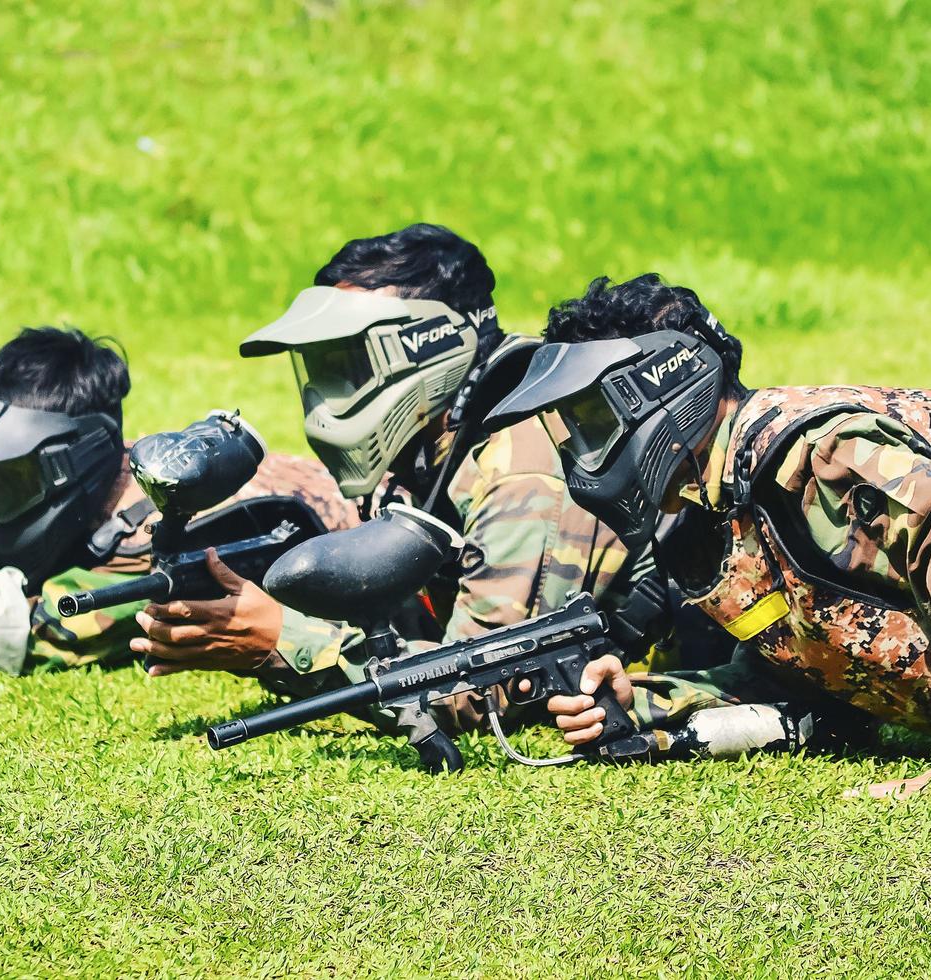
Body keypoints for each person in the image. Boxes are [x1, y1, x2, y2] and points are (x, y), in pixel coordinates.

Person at [133, 226, 783, 757]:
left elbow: (484, 687)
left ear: (426, 349)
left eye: (346, 365)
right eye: (321, 369)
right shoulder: (433, 444)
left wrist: (282, 640)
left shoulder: (526, 454)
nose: (326, 397)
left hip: (727, 666)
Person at [486, 273, 931, 798]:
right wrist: (646, 707)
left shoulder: (822, 455)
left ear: (658, 390)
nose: (582, 451)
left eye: (594, 420)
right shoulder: (712, 517)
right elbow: (805, 678)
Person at [0, 326, 356, 674]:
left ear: (73, 466)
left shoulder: (153, 540)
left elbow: (33, 634)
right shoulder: (126, 464)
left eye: (10, 480)